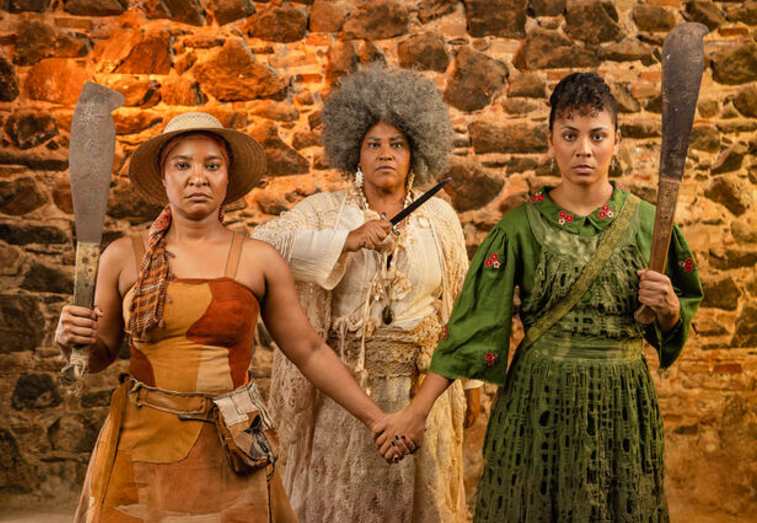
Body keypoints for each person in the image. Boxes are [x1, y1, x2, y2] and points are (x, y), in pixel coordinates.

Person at [375, 72, 704, 522]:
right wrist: (417, 411)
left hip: (622, 406)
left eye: (597, 136)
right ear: (551, 141)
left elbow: (674, 324)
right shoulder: (518, 228)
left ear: (617, 140)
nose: (583, 149)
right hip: (538, 405)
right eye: (569, 135)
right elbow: (471, 328)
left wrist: (668, 310)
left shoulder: (649, 224)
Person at [55, 112, 404, 522]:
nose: (197, 177)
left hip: (232, 442)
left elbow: (309, 351)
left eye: (212, 165)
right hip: (141, 447)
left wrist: (377, 419)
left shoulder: (258, 260)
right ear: (164, 177)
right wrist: (72, 341)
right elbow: (99, 356)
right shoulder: (123, 257)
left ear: (227, 177)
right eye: (182, 165)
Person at [251, 66, 482, 523]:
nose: (385, 154)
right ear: (354, 151)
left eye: (397, 144)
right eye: (373, 144)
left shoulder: (440, 218)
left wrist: (472, 386)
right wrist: (345, 240)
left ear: (416, 151)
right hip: (346, 399)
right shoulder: (325, 211)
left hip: (421, 397)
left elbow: (460, 305)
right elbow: (263, 242)